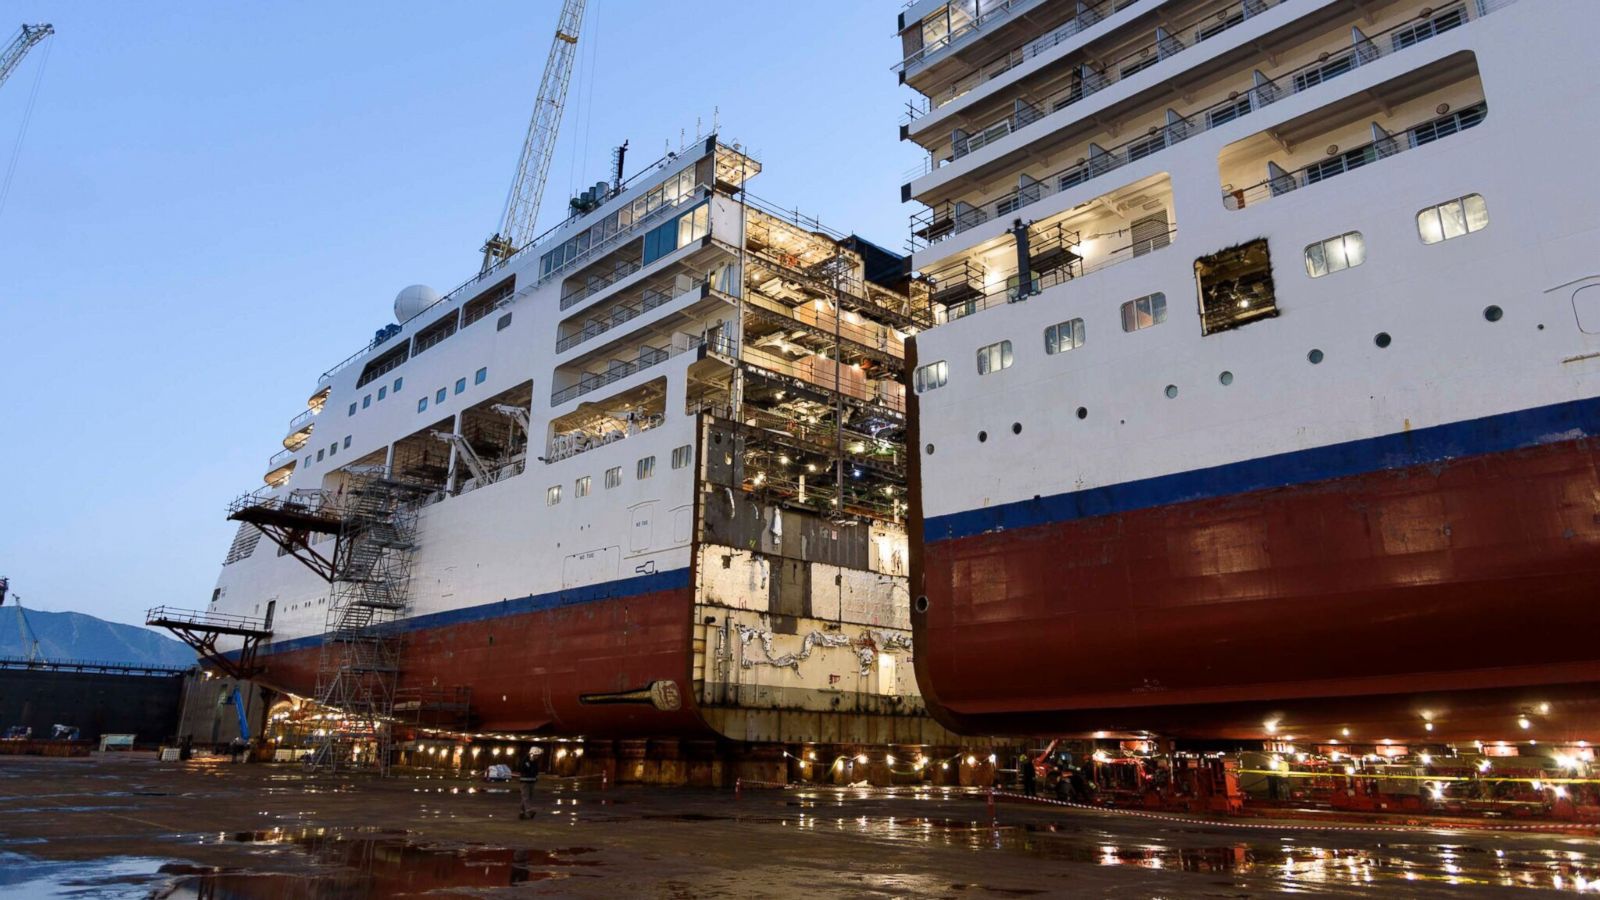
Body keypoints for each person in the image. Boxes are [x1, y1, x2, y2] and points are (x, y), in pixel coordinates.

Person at [518, 746, 545, 819]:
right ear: (532, 754)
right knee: (525, 797)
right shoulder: (525, 760)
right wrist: (530, 764)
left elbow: (535, 770)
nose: (537, 757)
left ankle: (522, 812)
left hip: (532, 781)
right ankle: (529, 811)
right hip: (525, 782)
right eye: (536, 755)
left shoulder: (535, 762)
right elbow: (524, 769)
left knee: (528, 797)